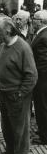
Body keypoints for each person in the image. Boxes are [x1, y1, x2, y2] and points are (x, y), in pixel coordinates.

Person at [0, 17, 37, 154]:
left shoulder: (23, 47)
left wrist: (21, 93)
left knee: (20, 128)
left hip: (17, 95)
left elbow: (32, 75)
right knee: (7, 126)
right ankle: (10, 151)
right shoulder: (2, 46)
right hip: (4, 92)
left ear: (7, 31)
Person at [32, 10, 47, 145]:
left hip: (42, 78)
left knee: (41, 106)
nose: (32, 20)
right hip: (42, 78)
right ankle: (43, 129)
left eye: (35, 19)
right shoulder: (42, 34)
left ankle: (44, 136)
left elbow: (42, 61)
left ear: (41, 21)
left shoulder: (43, 36)